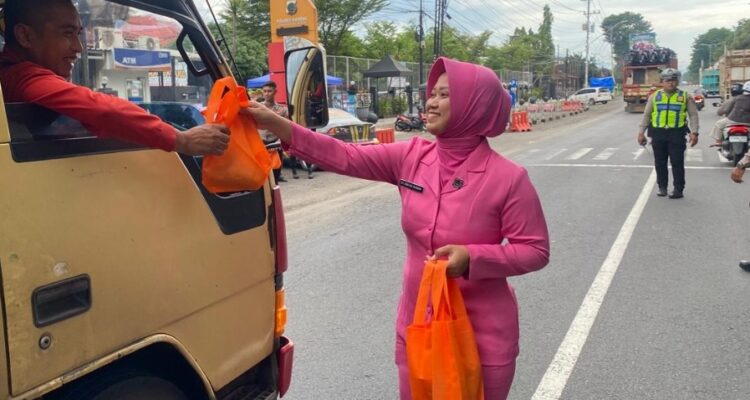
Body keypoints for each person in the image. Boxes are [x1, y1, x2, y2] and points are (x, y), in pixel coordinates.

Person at [247, 57, 550, 399]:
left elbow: (535, 250)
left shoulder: (508, 178)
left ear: (474, 105)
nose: (431, 102)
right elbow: (346, 155)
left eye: (445, 95)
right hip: (419, 325)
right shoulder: (412, 157)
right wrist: (275, 123)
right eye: (431, 93)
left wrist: (473, 258)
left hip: (482, 337)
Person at [0, 0, 229, 156]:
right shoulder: (20, 76)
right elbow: (101, 109)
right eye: (67, 34)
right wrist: (182, 140)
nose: (78, 48)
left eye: (78, 35)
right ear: (25, 36)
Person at [637, 68, 700, 199]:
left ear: (677, 81)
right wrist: (641, 132)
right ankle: (662, 187)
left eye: (673, 80)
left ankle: (678, 189)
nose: (670, 83)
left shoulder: (685, 96)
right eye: (667, 80)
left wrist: (694, 132)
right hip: (658, 133)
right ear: (662, 82)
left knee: (677, 162)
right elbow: (647, 115)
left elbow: (693, 115)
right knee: (660, 162)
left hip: (677, 133)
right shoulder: (655, 96)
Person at [260, 81, 290, 182]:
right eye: (264, 91)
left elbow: (286, 127)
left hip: (275, 146)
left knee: (275, 175)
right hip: (260, 145)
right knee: (261, 177)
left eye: (269, 91)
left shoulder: (283, 110)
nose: (267, 94)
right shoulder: (257, 107)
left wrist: (280, 141)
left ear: (275, 92)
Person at [711, 81, 750, 145]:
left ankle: (718, 141)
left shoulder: (736, 98)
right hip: (748, 123)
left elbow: (727, 109)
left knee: (718, 124)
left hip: (732, 120)